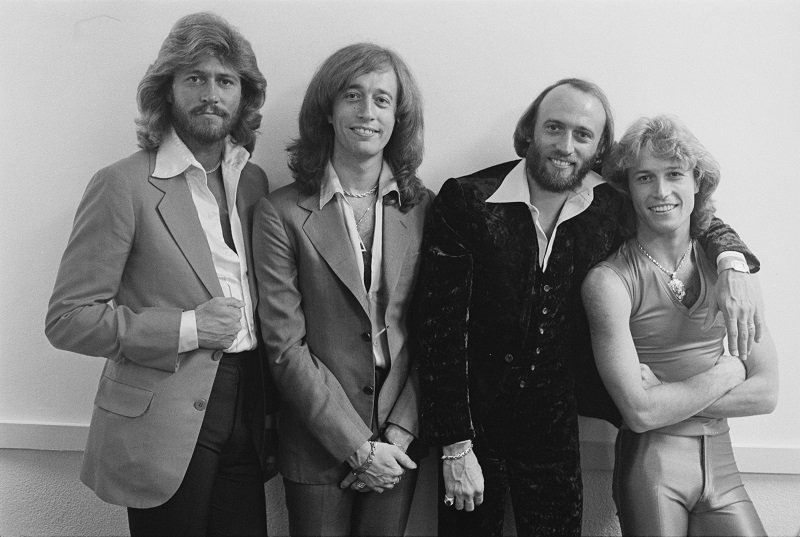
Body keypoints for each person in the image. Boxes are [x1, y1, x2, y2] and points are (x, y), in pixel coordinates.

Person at [414, 78, 761, 537]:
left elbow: (691, 215)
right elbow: (437, 329)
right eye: (554, 128)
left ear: (599, 148)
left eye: (583, 134)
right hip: (472, 436)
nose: (565, 145)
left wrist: (733, 262)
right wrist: (454, 446)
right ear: (530, 132)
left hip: (557, 436)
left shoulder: (612, 207)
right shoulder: (467, 199)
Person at [45, 12, 277, 536]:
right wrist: (189, 327)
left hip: (249, 409)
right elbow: (68, 319)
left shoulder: (254, 181)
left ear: (244, 95)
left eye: (225, 80)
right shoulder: (122, 185)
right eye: (194, 78)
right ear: (167, 90)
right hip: (161, 424)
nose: (211, 93)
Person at [252, 43, 432, 537]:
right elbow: (285, 347)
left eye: (381, 99)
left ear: (399, 116)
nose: (366, 111)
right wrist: (356, 446)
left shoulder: (425, 209)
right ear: (327, 111)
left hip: (400, 439)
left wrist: (402, 428)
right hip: (316, 440)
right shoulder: (280, 213)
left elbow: (435, 332)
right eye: (352, 95)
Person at [582, 115, 778, 536]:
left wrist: (664, 399)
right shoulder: (608, 281)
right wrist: (727, 372)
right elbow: (638, 412)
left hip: (723, 464)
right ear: (627, 189)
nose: (661, 191)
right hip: (651, 467)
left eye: (674, 174)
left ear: (697, 183)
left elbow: (766, 393)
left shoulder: (734, 274)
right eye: (644, 178)